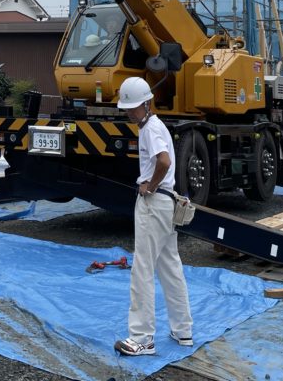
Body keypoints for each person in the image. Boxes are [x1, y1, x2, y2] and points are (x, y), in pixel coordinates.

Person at [113, 76, 193, 357]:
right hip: (166, 205)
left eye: (133, 108)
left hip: (154, 203)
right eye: (127, 109)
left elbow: (164, 161)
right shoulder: (154, 126)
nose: (129, 113)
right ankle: (183, 330)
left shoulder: (150, 129)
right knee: (170, 266)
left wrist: (151, 185)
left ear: (147, 104)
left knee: (143, 270)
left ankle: (142, 338)